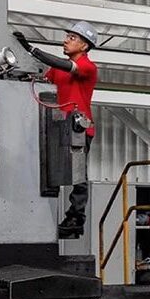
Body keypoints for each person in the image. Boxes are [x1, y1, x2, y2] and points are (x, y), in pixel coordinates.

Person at [13, 22, 99, 238]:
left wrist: (32, 50)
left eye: (72, 37)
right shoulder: (57, 71)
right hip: (57, 124)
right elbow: (42, 79)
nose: (65, 40)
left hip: (77, 126)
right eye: (67, 36)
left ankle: (76, 218)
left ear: (85, 46)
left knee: (77, 175)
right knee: (49, 170)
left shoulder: (88, 67)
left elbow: (63, 66)